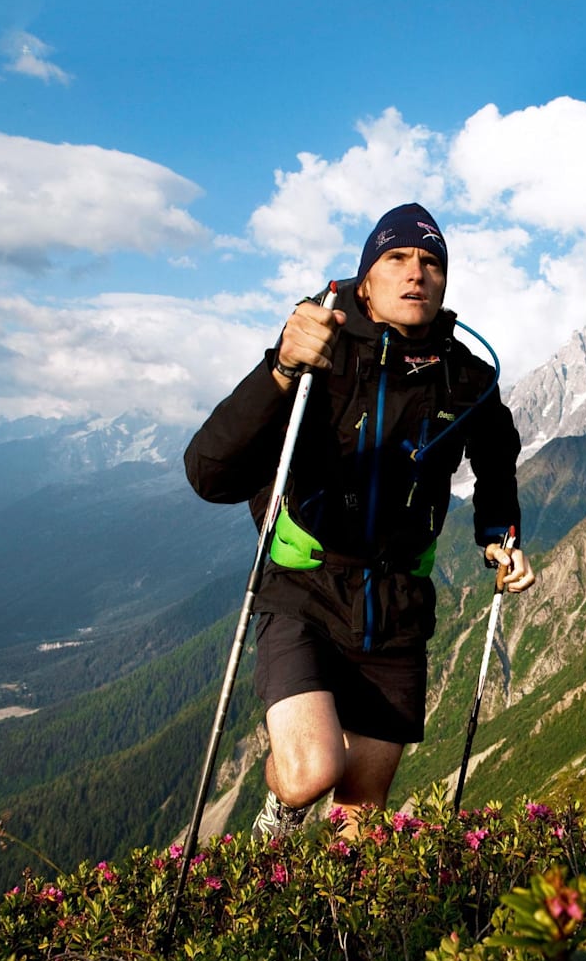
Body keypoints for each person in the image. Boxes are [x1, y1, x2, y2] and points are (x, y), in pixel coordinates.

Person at [185, 203, 535, 839]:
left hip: (396, 602)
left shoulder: (467, 379)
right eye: (396, 258)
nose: (416, 274)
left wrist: (498, 536)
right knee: (310, 772)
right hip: (305, 587)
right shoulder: (318, 347)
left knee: (363, 808)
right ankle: (277, 820)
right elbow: (209, 474)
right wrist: (282, 369)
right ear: (366, 277)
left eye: (431, 263)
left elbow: (497, 461)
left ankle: (335, 932)